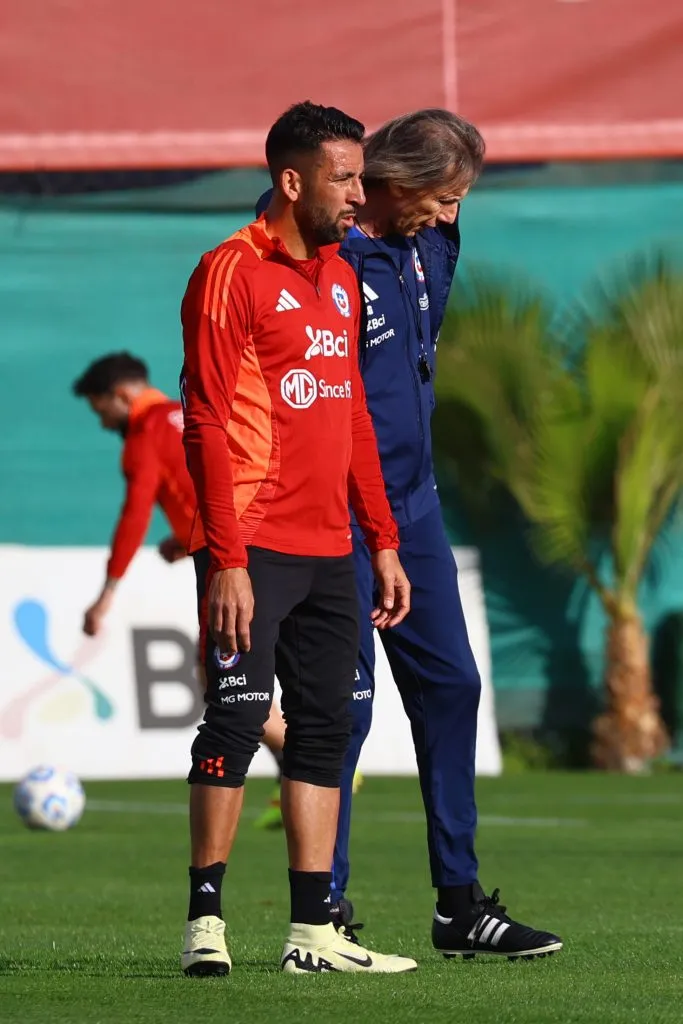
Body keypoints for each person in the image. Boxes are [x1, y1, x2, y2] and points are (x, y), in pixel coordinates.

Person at [258, 109, 561, 960]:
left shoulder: (430, 245)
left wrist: (443, 201)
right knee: (338, 712)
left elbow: (409, 355)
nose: (450, 212)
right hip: (337, 516)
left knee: (454, 685)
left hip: (413, 510)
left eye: (460, 198)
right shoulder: (326, 258)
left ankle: (458, 906)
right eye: (441, 195)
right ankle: (326, 912)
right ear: (392, 182)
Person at [179, 100, 417, 976]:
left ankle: (312, 934)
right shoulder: (229, 270)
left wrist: (381, 540)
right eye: (345, 178)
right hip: (251, 541)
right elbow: (203, 418)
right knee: (237, 717)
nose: (361, 194)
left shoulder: (342, 278)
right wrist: (227, 558)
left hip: (330, 547)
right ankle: (206, 923)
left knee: (324, 730)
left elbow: (351, 412)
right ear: (291, 180)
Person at [72, 352, 287, 799]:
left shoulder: (144, 434)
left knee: (225, 682)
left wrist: (106, 595)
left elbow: (134, 516)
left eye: (101, 410)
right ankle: (300, 771)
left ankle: (314, 764)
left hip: (230, 566)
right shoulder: (190, 414)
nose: (102, 423)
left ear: (121, 395)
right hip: (276, 548)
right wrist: (183, 537)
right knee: (241, 675)